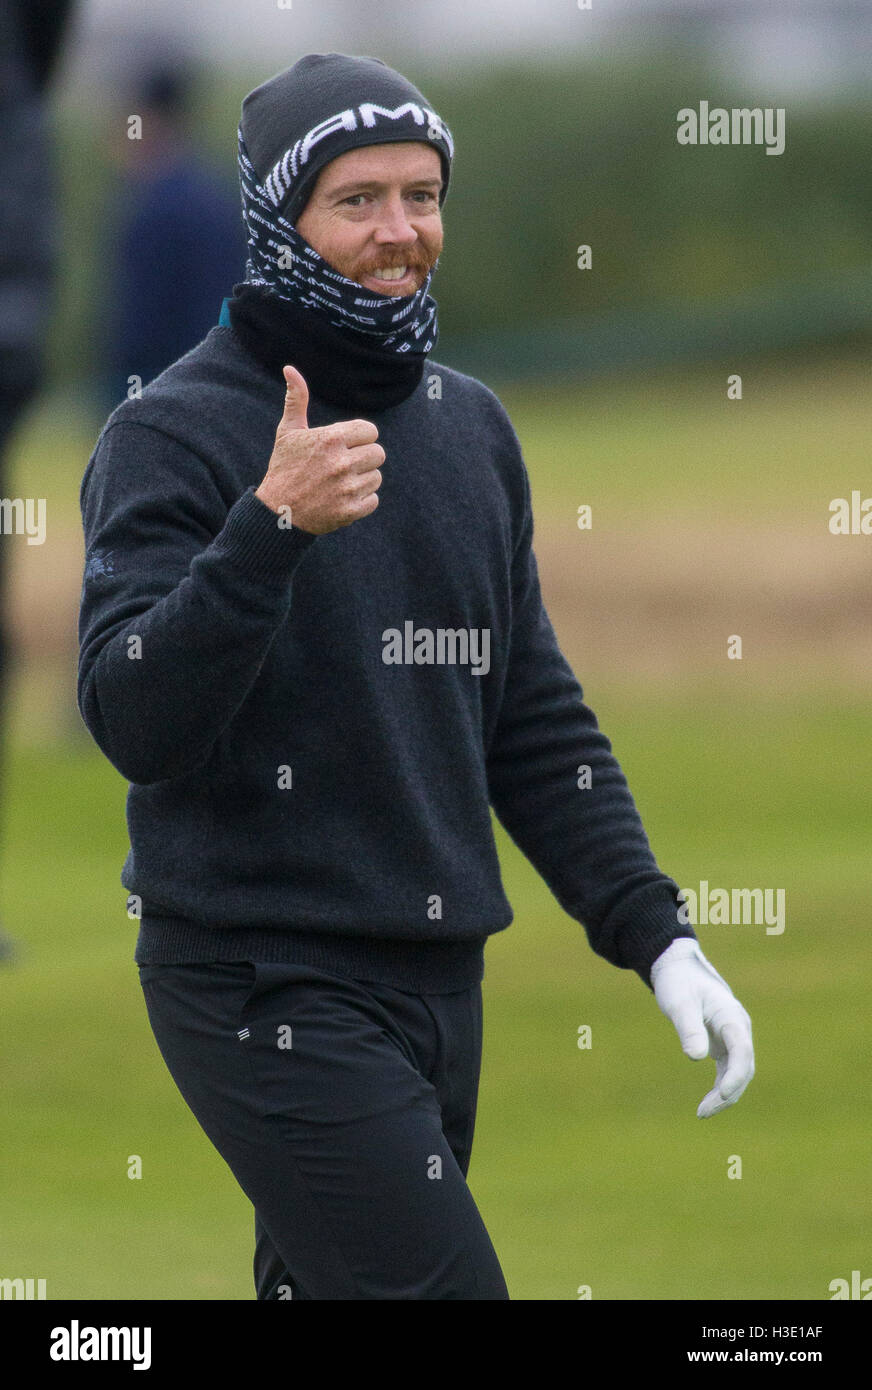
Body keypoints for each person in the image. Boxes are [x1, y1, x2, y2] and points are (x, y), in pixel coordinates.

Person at [77, 53, 754, 1300]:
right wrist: (268, 529)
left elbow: (529, 715)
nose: (400, 232)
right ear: (280, 221)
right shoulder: (171, 433)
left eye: (422, 194)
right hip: (261, 983)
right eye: (356, 200)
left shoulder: (468, 426)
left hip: (441, 977)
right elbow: (132, 717)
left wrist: (654, 932)